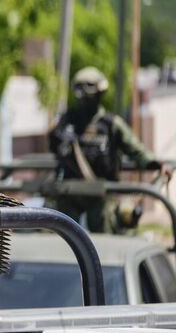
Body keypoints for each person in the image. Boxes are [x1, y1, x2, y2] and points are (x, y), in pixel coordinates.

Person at [49, 66, 172, 233]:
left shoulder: (111, 124)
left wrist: (156, 164)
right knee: (57, 234)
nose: (84, 97)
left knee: (105, 239)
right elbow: (53, 147)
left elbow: (137, 151)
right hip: (70, 196)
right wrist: (56, 137)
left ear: (99, 93)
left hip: (102, 196)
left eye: (89, 90)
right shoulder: (66, 121)